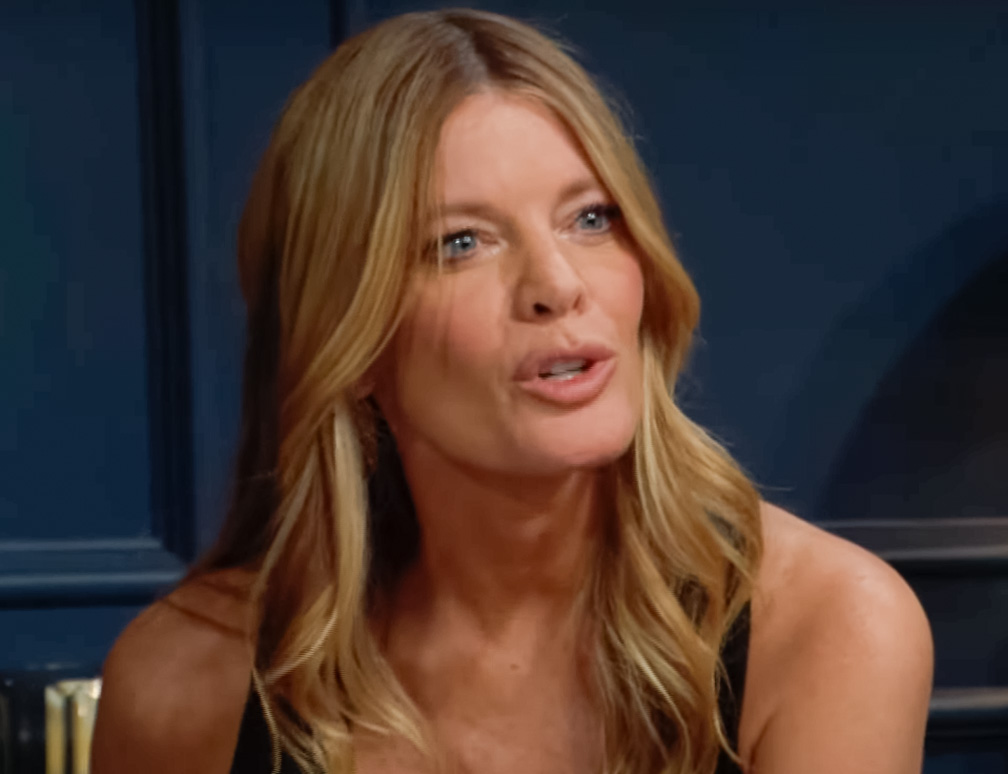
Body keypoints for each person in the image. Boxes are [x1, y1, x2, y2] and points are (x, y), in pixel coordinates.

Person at [90, 9, 933, 774]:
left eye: (590, 218)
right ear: (351, 340)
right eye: (461, 242)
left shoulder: (828, 627)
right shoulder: (182, 682)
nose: (558, 285)